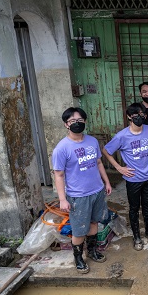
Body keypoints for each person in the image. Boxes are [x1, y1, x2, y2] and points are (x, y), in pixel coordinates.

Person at [52, 107, 112, 274]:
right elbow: (59, 175)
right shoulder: (61, 148)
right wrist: (63, 199)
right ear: (66, 125)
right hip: (78, 196)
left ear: (85, 121)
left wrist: (106, 182)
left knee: (94, 223)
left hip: (97, 191)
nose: (76, 124)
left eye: (79, 120)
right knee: (79, 230)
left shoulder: (92, 141)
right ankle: (78, 257)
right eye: (72, 121)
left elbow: (99, 163)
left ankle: (92, 251)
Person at [102, 103, 148, 251]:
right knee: (134, 208)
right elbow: (106, 150)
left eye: (142, 114)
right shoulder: (122, 136)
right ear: (129, 117)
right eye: (135, 115)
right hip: (133, 178)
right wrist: (118, 167)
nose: (139, 117)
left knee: (147, 206)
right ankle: (136, 236)